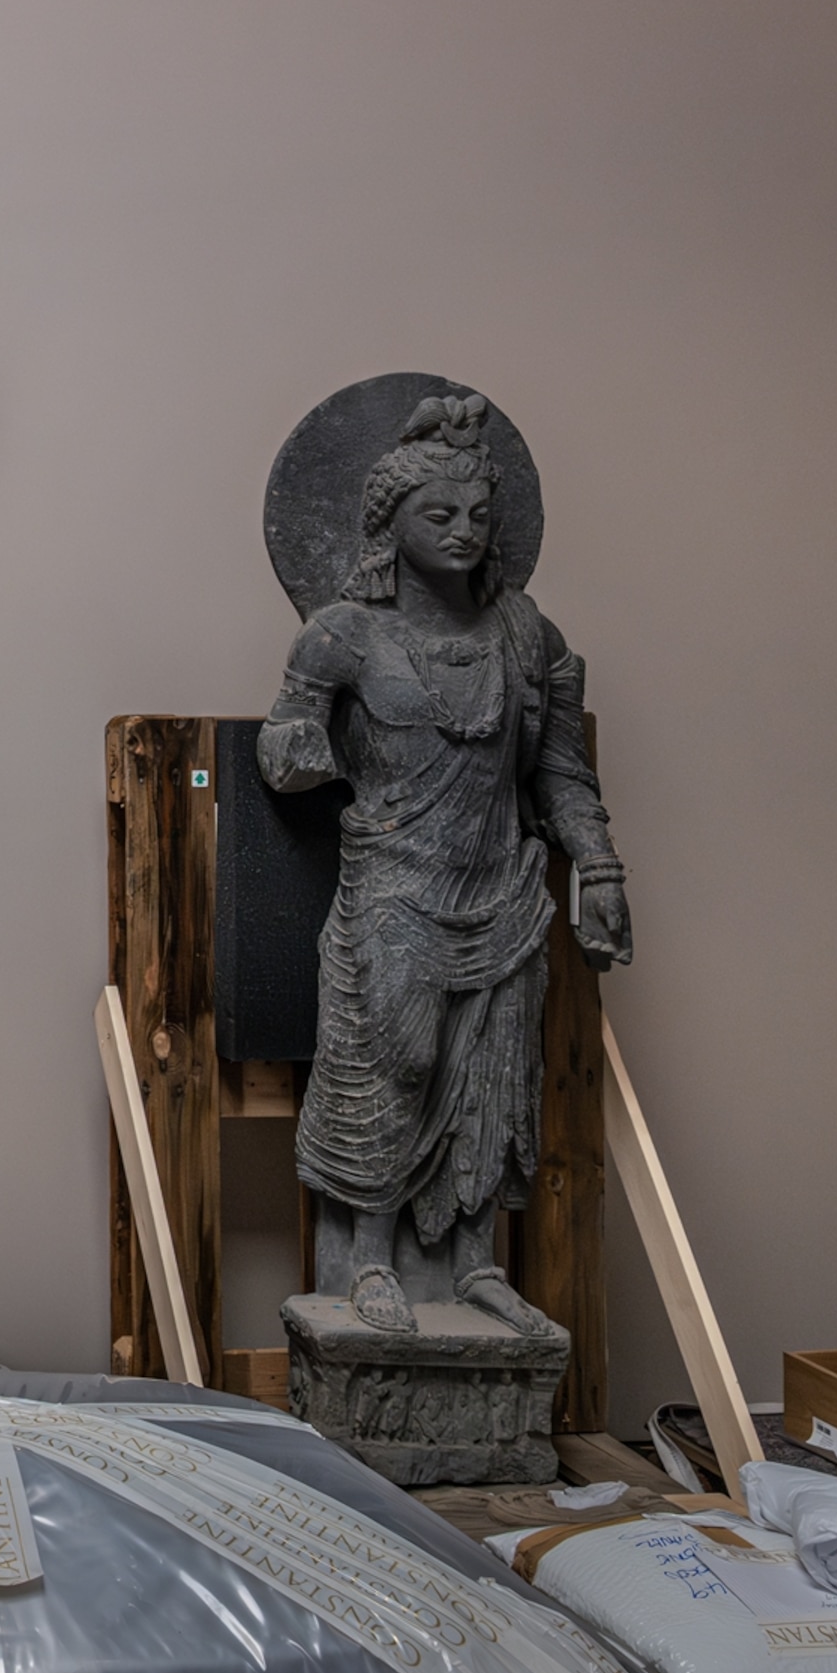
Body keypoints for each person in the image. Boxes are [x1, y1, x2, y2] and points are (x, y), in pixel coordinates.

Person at [256, 391, 630, 1336]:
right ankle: (369, 1257)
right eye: (439, 514)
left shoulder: (527, 635)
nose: (463, 531)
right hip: (395, 885)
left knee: (496, 1080)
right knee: (399, 1062)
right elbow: (285, 735)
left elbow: (561, 772)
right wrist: (299, 748)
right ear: (390, 522)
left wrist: (601, 869)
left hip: (502, 885)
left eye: (478, 514)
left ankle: (475, 1265)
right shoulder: (344, 633)